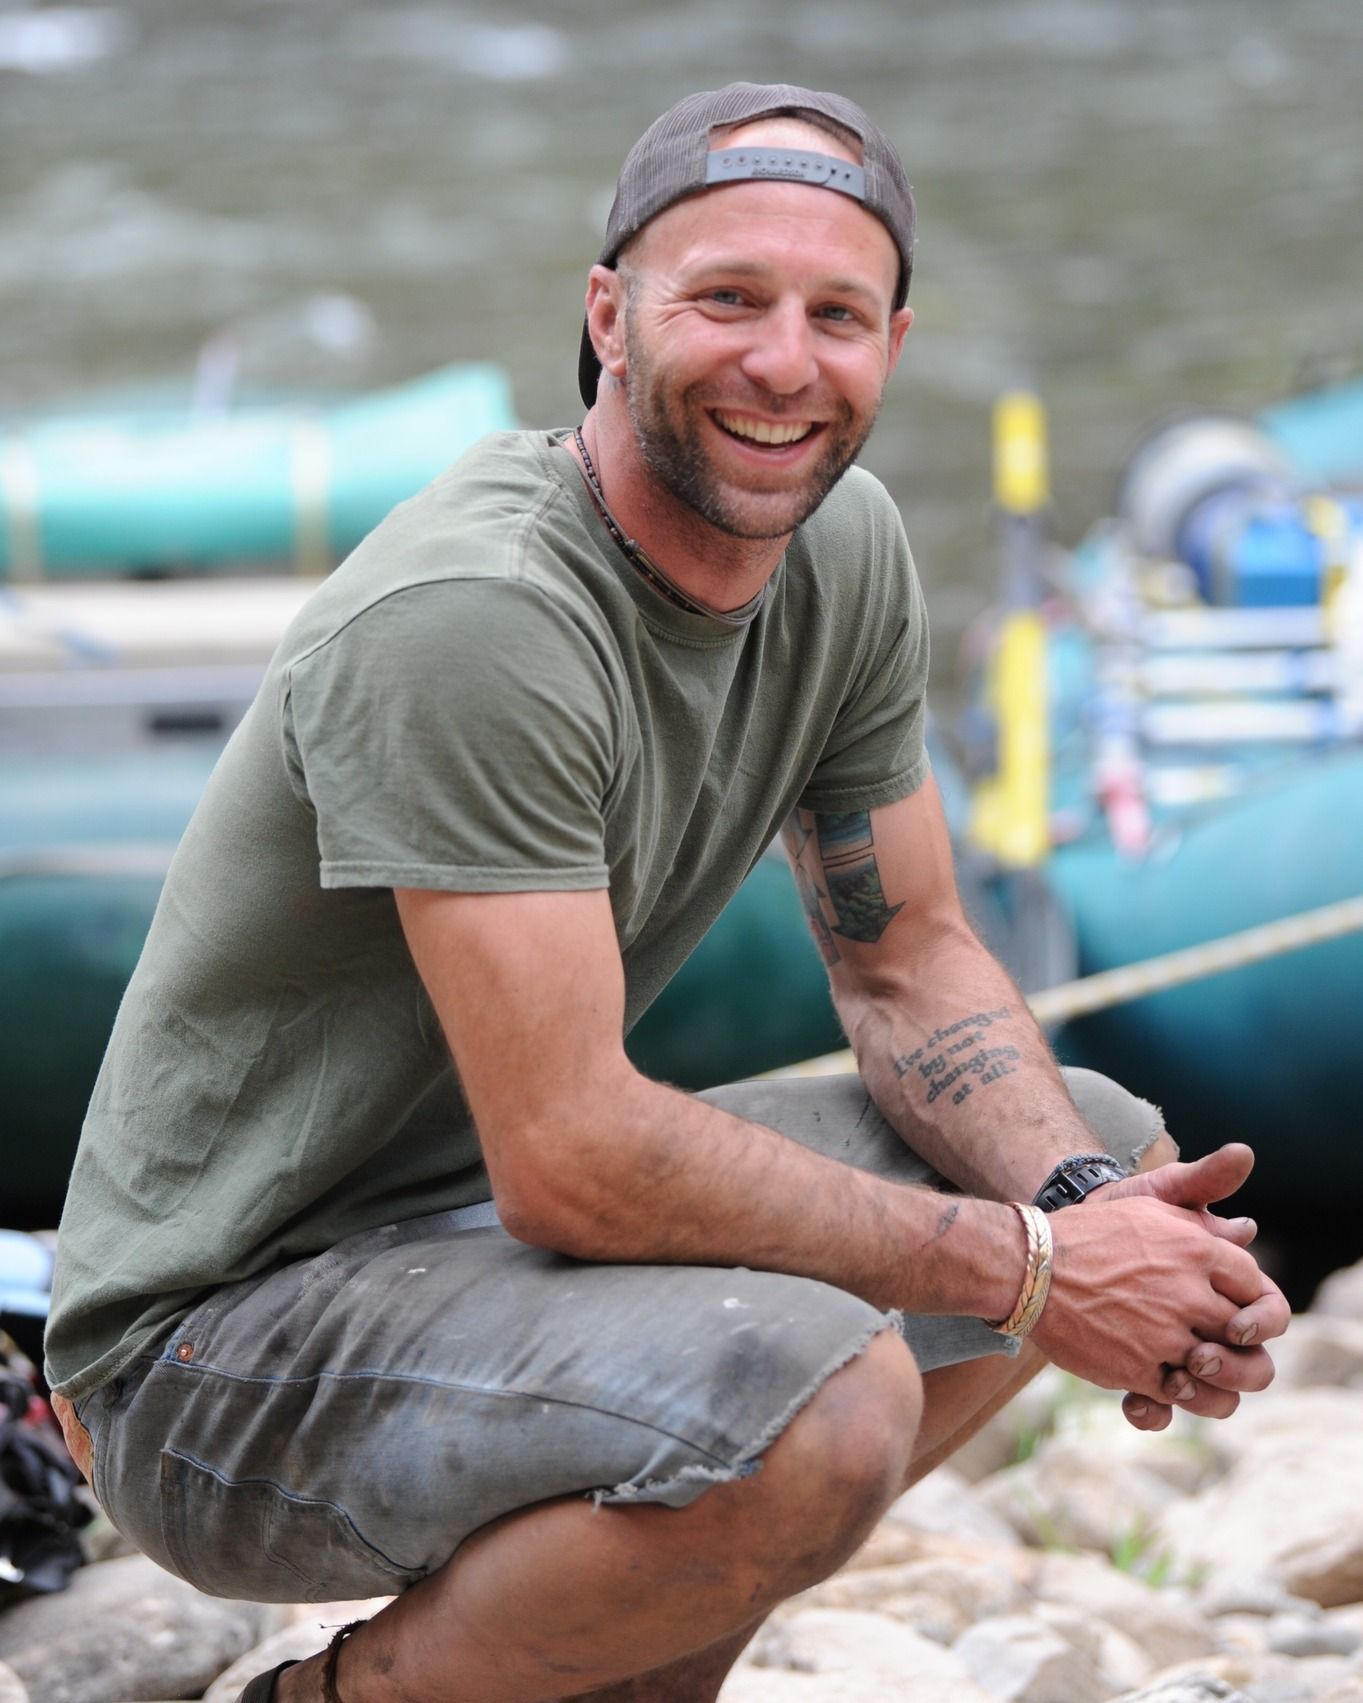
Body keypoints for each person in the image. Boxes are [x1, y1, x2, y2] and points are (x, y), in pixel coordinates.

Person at [45, 83, 1287, 1703]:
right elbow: (570, 1159)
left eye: (836, 315)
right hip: (207, 1353)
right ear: (609, 319)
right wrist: (1038, 1275)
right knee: (825, 1388)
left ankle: (615, 1681)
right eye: (727, 300)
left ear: (893, 347)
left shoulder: (845, 556)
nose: (785, 363)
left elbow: (907, 957)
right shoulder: (475, 617)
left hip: (477, 1247)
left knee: (1107, 1149)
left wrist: (1081, 1225)